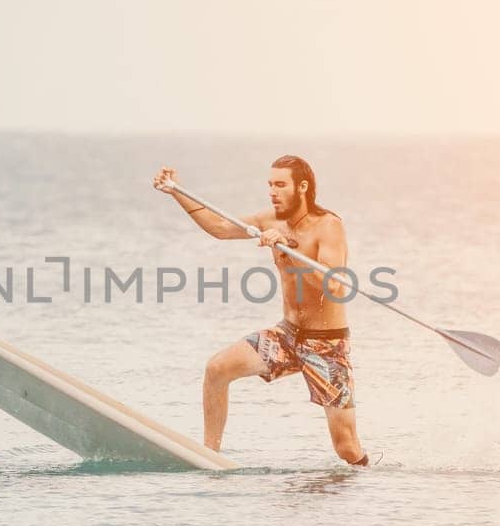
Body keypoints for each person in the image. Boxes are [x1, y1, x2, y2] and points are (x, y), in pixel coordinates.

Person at [153, 156, 369, 466]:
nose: (272, 191)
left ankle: (366, 479)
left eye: (280, 184)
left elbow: (334, 287)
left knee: (346, 447)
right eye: (270, 184)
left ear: (303, 187)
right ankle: (209, 456)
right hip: (287, 335)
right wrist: (177, 192)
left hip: (326, 344)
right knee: (217, 369)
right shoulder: (270, 221)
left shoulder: (329, 226)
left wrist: (288, 250)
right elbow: (220, 228)